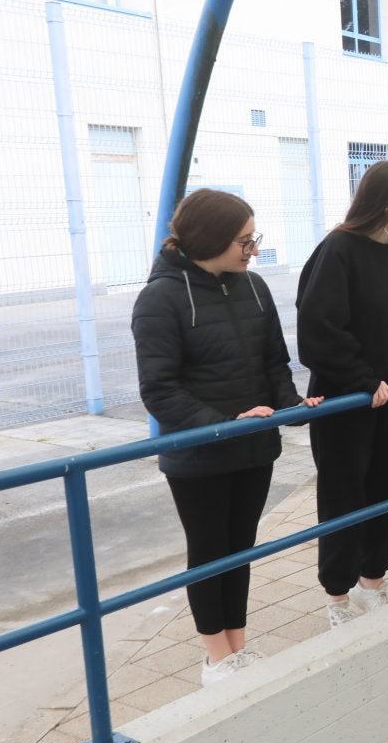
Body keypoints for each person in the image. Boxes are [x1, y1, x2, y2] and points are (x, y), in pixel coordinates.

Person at [133, 189, 321, 685]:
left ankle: (238, 646)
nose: (252, 248)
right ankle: (216, 657)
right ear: (210, 239)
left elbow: (273, 364)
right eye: (243, 239)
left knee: (241, 547)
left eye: (253, 238)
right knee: (210, 548)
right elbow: (159, 390)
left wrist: (291, 406)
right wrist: (222, 424)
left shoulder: (253, 287)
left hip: (254, 447)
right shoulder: (160, 298)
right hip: (198, 453)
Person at [296, 160, 388, 628]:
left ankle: (371, 584)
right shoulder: (337, 250)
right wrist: (361, 377)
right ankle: (337, 597)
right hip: (346, 402)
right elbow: (319, 329)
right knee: (343, 496)